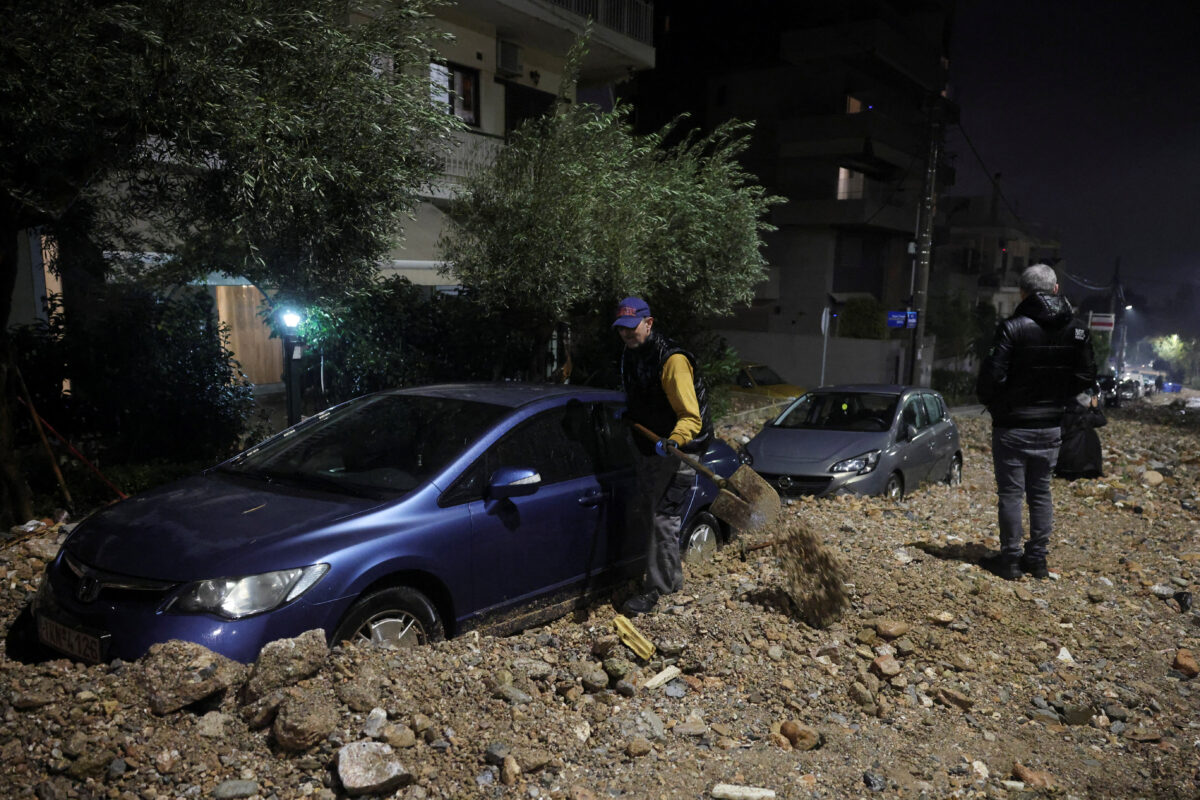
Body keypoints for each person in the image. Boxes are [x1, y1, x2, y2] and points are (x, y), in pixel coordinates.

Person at [976, 264, 1096, 580]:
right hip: (1051, 425)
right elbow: (1086, 376)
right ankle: (1038, 559)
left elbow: (990, 378)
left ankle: (1010, 560)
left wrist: (1000, 404)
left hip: (1012, 426)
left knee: (1011, 494)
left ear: (1022, 292)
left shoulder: (1012, 327)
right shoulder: (1078, 330)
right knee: (1041, 492)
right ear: (1056, 289)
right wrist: (1058, 398)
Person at [612, 296, 711, 616]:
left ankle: (661, 590)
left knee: (663, 518)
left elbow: (691, 417)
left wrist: (674, 440)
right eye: (621, 328)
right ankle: (668, 578)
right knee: (650, 512)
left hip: (681, 449)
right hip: (650, 446)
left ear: (649, 323)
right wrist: (628, 411)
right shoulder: (631, 353)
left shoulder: (672, 360)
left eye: (632, 327)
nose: (626, 333)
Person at [1055, 390, 1106, 480]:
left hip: (1065, 463)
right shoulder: (1087, 417)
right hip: (1086, 466)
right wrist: (1095, 408)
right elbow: (1102, 420)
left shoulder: (1064, 415)